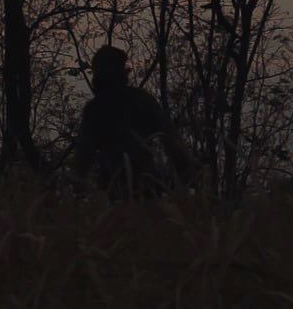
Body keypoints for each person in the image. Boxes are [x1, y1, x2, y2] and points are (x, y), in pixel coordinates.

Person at [71, 45, 198, 199]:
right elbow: (172, 142)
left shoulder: (95, 109)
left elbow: (82, 160)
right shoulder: (141, 100)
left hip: (116, 192)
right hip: (143, 188)